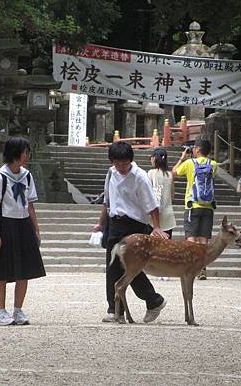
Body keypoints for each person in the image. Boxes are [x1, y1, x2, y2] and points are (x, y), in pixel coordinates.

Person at [92, 141, 169, 323]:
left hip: (133, 225)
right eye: (117, 163)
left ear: (130, 161)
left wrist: (156, 227)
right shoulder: (111, 173)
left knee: (130, 268)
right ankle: (115, 309)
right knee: (113, 267)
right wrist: (100, 223)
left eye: (124, 163)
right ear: (112, 162)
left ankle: (152, 300)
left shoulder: (140, 176)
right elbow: (107, 201)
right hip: (114, 224)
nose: (121, 167)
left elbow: (152, 205)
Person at [0, 136, 44, 326]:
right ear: (16, 154)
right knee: (1, 271)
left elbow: (30, 204)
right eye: (25, 152)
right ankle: (0, 311)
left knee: (24, 271)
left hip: (23, 223)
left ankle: (18, 310)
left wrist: (36, 229)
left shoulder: (27, 175)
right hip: (5, 224)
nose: (27, 155)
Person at [172, 138, 217, 280]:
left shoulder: (190, 163)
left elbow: (174, 173)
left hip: (192, 206)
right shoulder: (213, 164)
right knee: (204, 240)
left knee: (191, 239)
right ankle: (203, 269)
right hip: (208, 207)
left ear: (197, 149)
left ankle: (190, 268)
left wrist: (182, 158)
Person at [148, 148, 176, 238]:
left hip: (153, 216)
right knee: (165, 246)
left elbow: (147, 193)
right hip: (168, 215)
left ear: (154, 158)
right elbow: (172, 195)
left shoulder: (151, 173)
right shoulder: (169, 175)